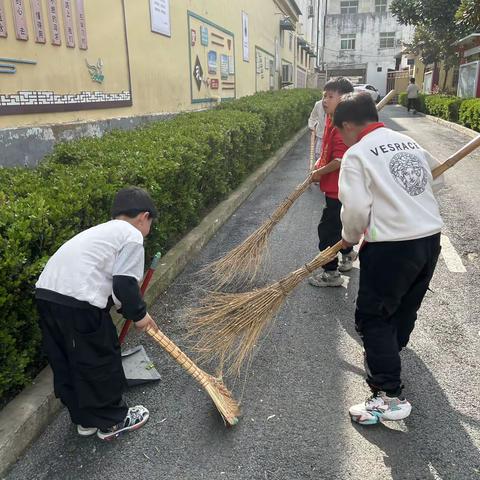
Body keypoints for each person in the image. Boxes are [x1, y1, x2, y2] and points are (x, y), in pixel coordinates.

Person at [334, 92, 444, 425]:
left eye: (340, 130)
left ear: (350, 125)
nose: (342, 137)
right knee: (404, 307)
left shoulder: (357, 155)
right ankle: (388, 360)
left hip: (391, 247)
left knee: (372, 317)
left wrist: (349, 239)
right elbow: (440, 176)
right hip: (428, 239)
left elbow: (354, 209)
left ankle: (388, 395)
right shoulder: (406, 142)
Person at [35, 187, 159, 440]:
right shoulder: (132, 236)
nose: (148, 230)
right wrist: (139, 315)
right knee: (100, 358)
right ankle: (113, 421)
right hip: (79, 303)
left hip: (47, 296)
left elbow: (113, 287)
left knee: (69, 361)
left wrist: (127, 306)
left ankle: (86, 421)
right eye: (151, 224)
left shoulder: (102, 232)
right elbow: (124, 284)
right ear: (144, 217)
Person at [308, 77, 357, 288]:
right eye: (323, 96)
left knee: (327, 232)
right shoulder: (332, 120)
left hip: (339, 192)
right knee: (342, 226)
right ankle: (347, 255)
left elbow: (340, 159)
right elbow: (329, 152)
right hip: (342, 191)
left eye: (330, 96)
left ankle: (330, 273)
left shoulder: (341, 126)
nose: (324, 101)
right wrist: (318, 165)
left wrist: (320, 172)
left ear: (344, 99)